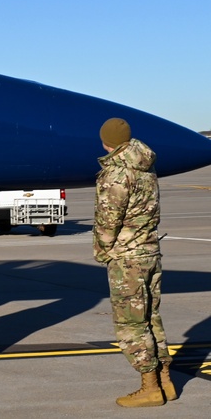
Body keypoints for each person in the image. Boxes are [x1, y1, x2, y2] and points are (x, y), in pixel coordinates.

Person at [94, 117, 176, 407]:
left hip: (128, 259)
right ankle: (165, 380)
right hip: (150, 251)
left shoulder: (116, 174)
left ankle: (150, 387)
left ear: (107, 142)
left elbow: (108, 219)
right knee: (151, 318)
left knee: (131, 325)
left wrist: (102, 250)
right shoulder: (146, 166)